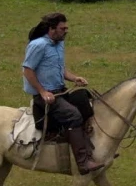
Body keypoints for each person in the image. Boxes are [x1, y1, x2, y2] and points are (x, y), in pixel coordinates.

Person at [22, 12, 103, 174]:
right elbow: (27, 70)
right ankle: (83, 162)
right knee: (73, 115)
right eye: (62, 28)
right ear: (52, 29)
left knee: (86, 103)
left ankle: (91, 152)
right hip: (45, 97)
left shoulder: (59, 44)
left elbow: (60, 68)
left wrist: (74, 78)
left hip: (60, 91)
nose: (66, 31)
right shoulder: (38, 45)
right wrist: (43, 91)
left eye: (66, 28)